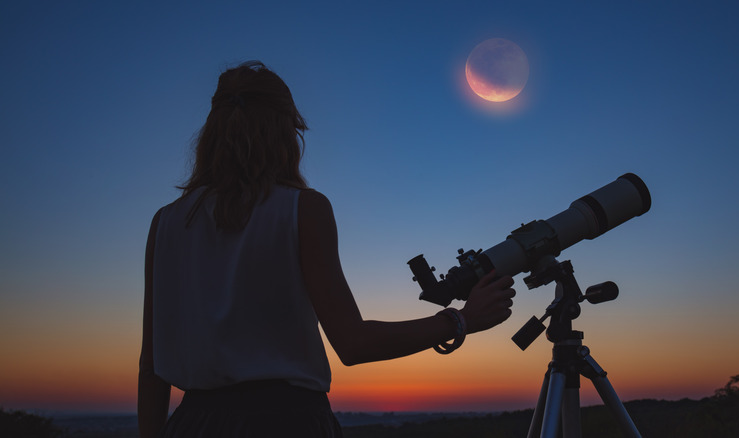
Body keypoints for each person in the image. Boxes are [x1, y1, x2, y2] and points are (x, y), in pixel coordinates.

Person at [137, 61, 516, 438]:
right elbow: (353, 344)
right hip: (286, 422)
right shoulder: (303, 209)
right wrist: (464, 320)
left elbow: (151, 366)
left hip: (193, 423)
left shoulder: (166, 222)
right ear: (286, 133)